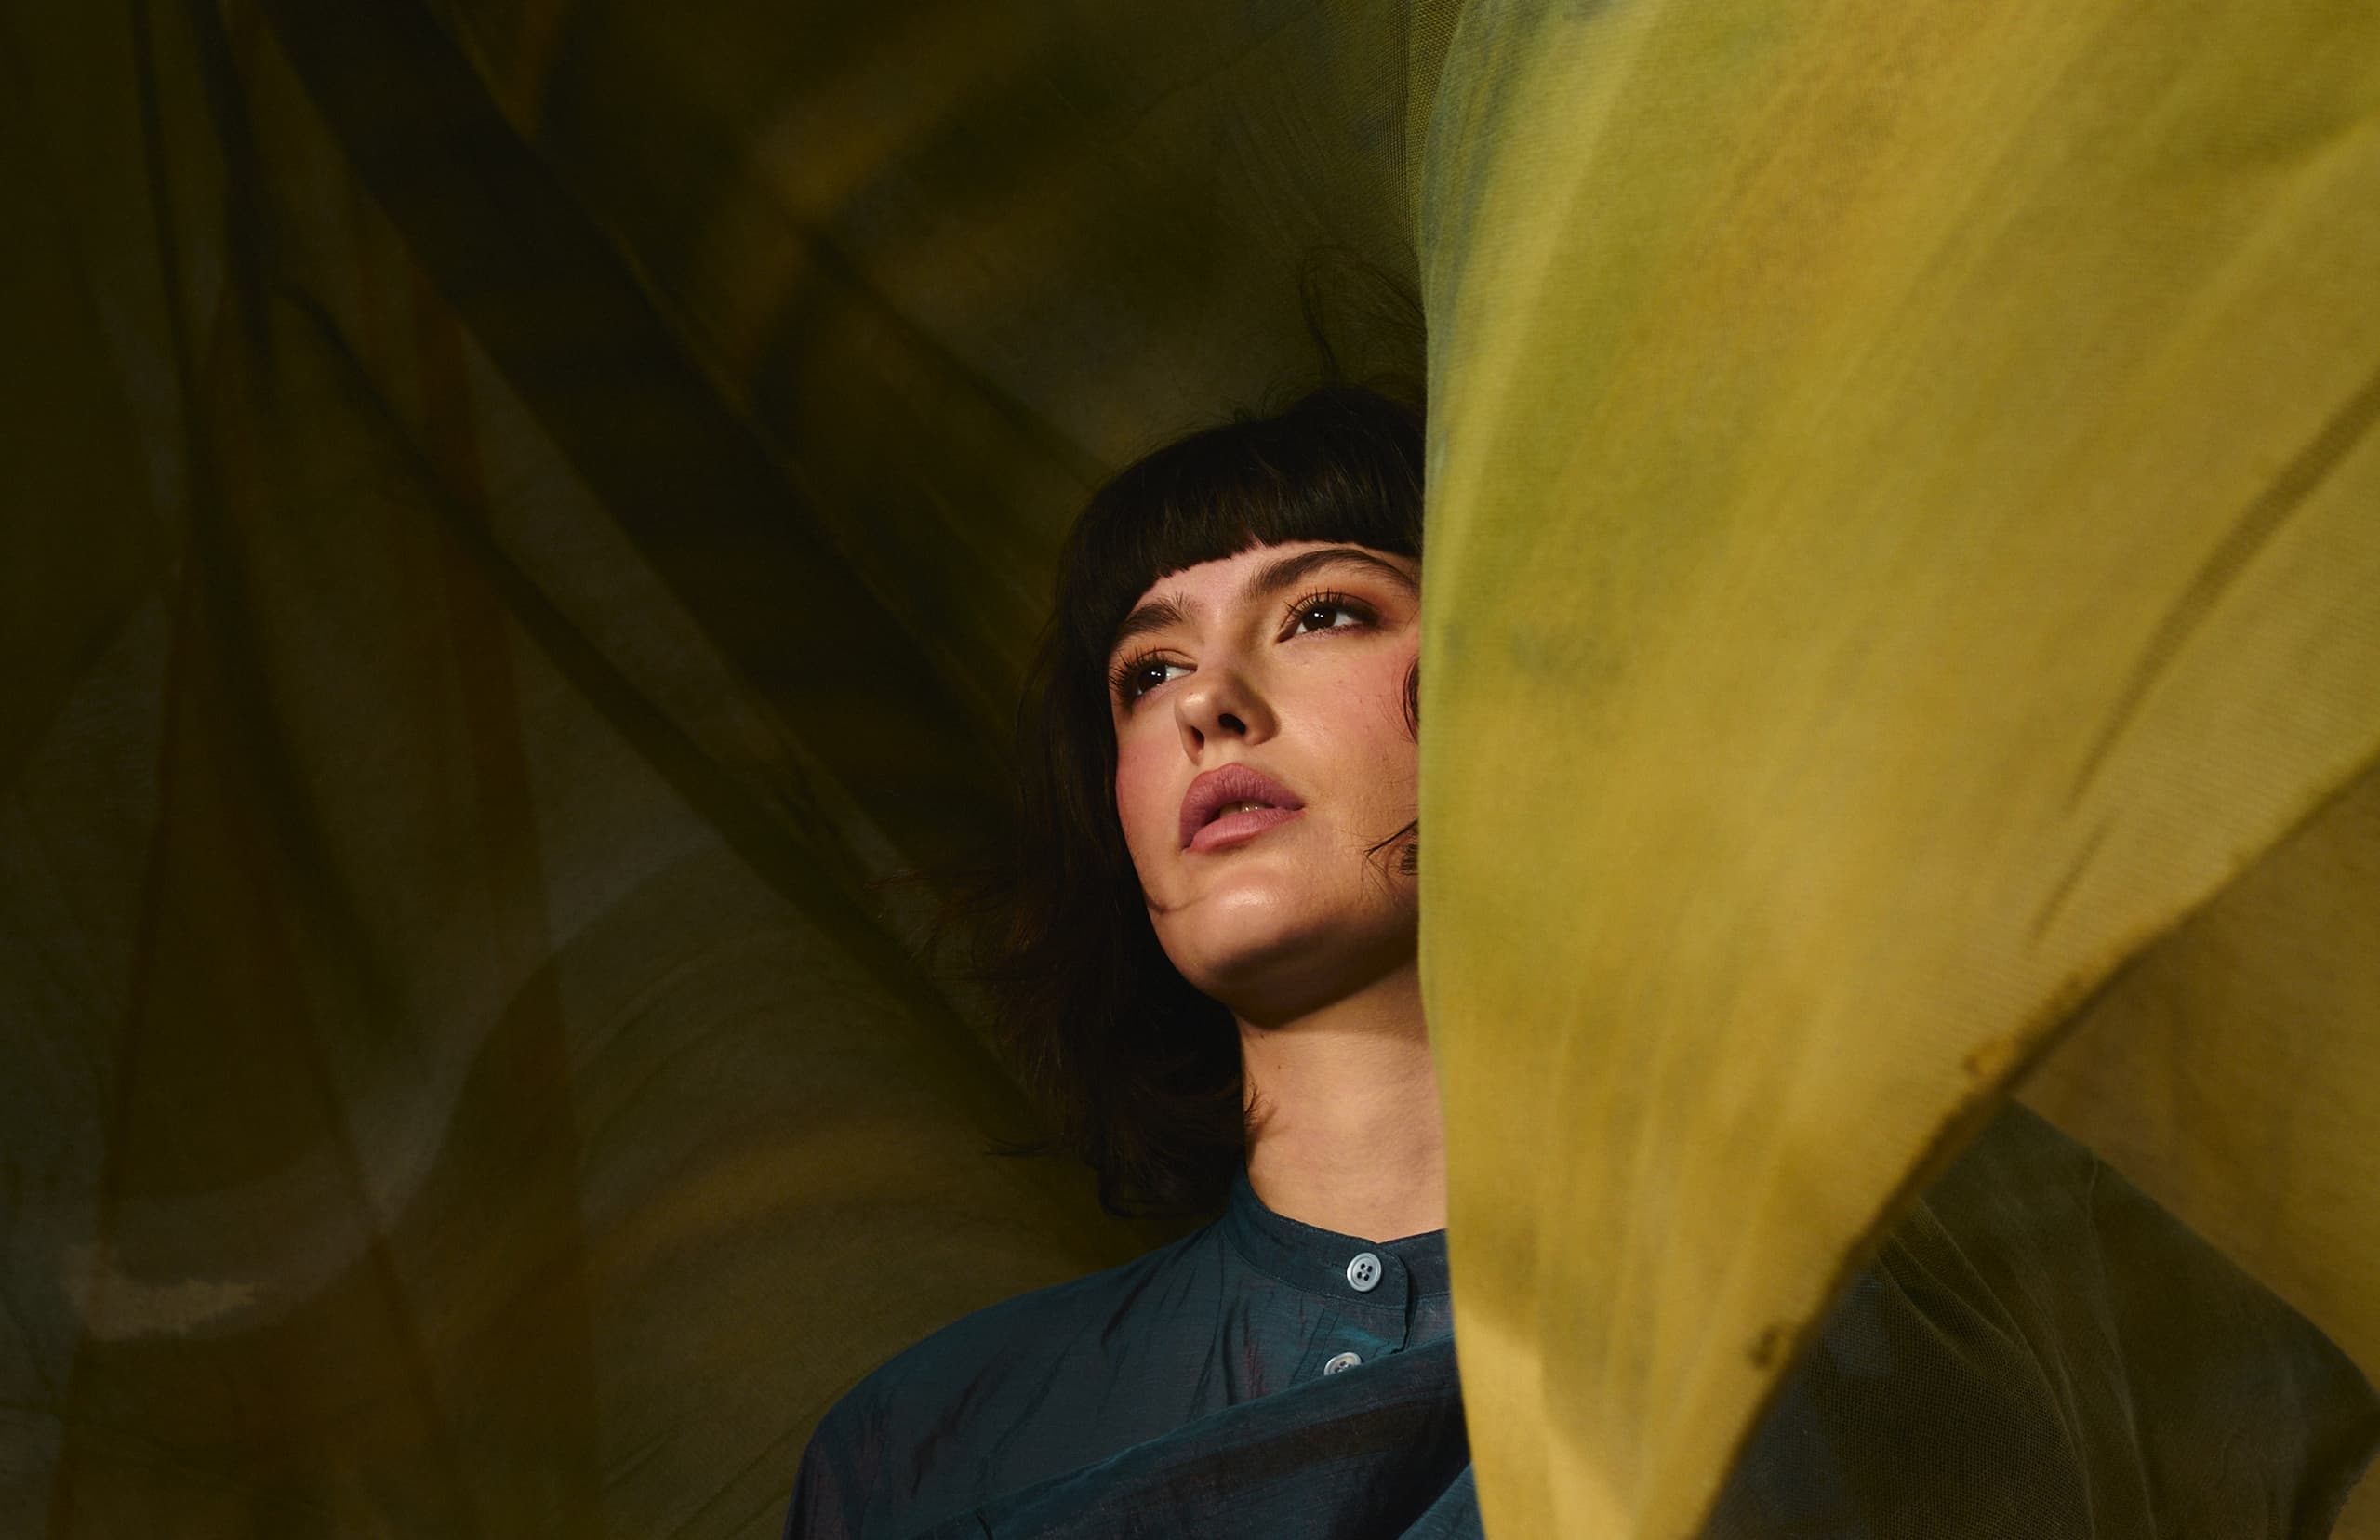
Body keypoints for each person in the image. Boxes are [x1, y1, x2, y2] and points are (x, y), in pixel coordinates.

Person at [783, 384, 2378, 1539]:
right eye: (1147, 669)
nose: (1211, 704)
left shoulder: (1920, 1301)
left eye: (1325, 612)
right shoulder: (937, 1446)